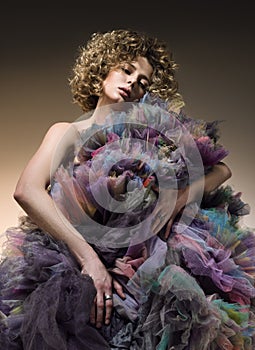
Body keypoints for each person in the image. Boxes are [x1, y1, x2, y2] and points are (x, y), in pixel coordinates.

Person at [0, 29, 254, 349]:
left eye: (143, 82)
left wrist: (177, 201)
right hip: (76, 266)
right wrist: (89, 260)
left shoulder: (148, 132)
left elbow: (221, 169)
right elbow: (27, 190)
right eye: (126, 69)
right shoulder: (69, 131)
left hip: (144, 268)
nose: (133, 82)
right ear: (103, 68)